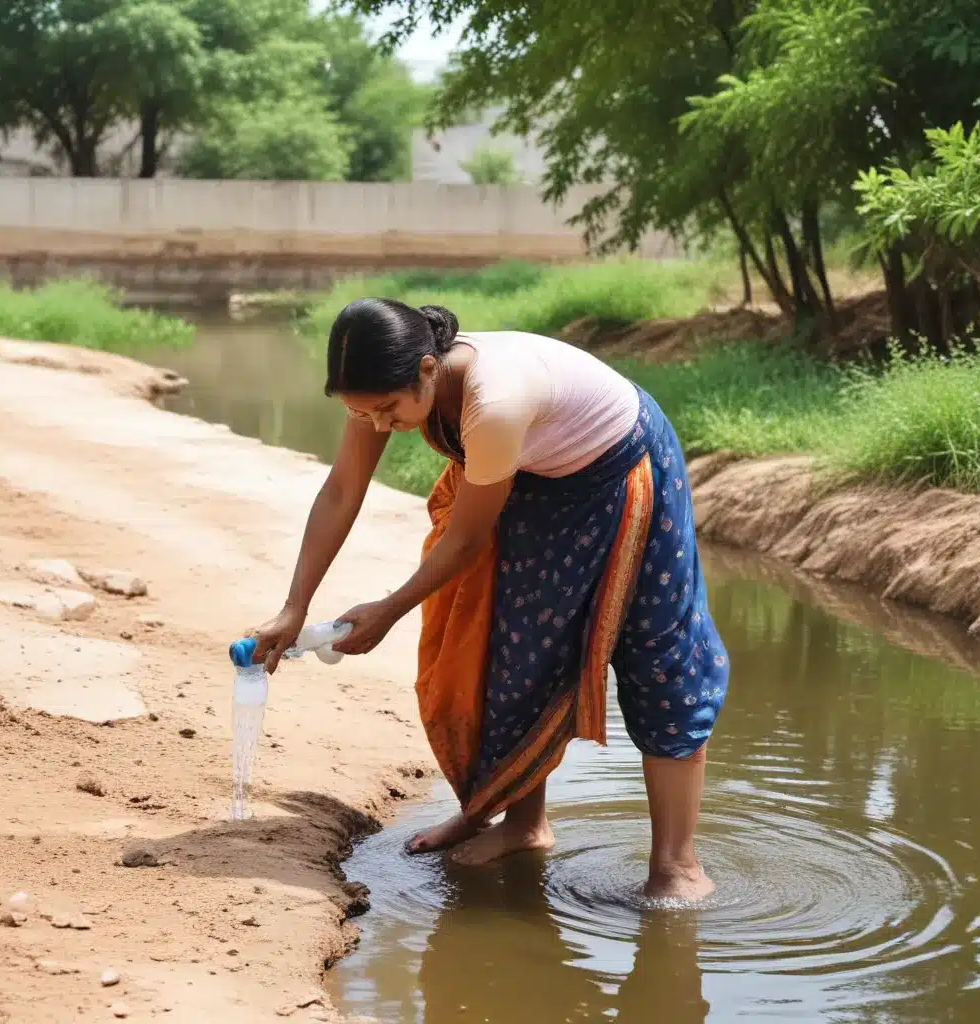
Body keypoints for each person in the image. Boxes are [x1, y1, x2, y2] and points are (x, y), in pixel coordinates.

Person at [251, 298, 729, 900]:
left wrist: (388, 610)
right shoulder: (380, 386)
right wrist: (295, 605)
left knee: (658, 660)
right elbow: (344, 489)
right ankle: (522, 824)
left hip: (617, 470)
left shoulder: (494, 401)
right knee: (511, 649)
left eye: (386, 411)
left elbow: (469, 538)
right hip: (527, 475)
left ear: (428, 369)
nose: (376, 424)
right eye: (360, 412)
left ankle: (676, 868)